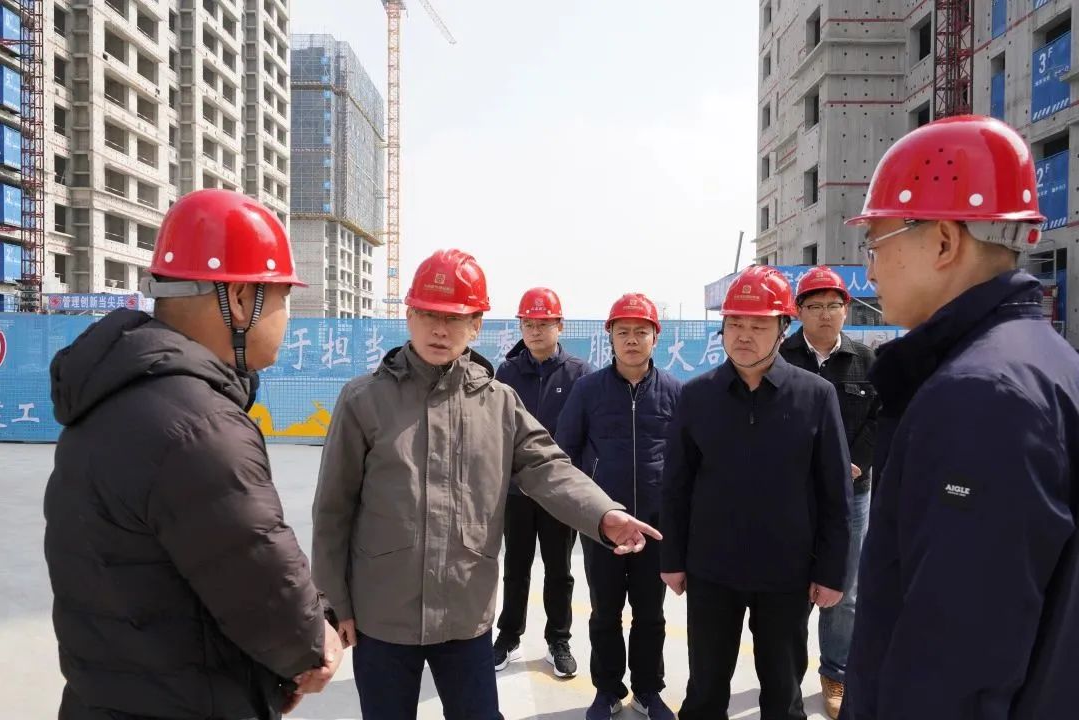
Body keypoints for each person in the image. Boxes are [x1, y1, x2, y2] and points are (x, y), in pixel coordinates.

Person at [311, 249, 661, 720]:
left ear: (475, 325)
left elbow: (549, 467)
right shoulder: (363, 400)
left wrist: (603, 513)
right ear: (409, 316)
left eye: (455, 318)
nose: (440, 330)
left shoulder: (498, 403)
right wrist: (334, 603)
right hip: (383, 618)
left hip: (465, 615)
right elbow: (332, 510)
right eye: (429, 315)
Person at [43, 189, 343, 720]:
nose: (287, 319)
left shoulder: (106, 396)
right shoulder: (200, 428)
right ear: (241, 299)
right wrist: (315, 643)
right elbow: (265, 582)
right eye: (283, 299)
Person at [841, 115, 1079, 719]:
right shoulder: (1041, 359)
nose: (869, 271)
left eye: (876, 244)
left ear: (944, 242)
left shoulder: (981, 395)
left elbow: (955, 662)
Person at [661, 265, 851, 720]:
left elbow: (835, 492)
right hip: (712, 569)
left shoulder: (815, 396)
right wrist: (672, 559)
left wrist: (832, 570)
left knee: (783, 691)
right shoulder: (697, 396)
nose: (744, 335)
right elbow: (676, 484)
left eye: (758, 325)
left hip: (787, 571)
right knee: (705, 688)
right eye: (735, 324)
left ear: (783, 328)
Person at [556, 292, 683, 720]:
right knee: (604, 612)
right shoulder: (588, 390)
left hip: (654, 526)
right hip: (602, 525)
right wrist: (588, 508)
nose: (631, 340)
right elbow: (565, 450)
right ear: (609, 336)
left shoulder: (674, 392)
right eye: (623, 331)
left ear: (655, 338)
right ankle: (607, 690)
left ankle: (648, 690)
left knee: (650, 614)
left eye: (640, 332)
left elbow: (685, 459)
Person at [779, 266, 878, 718]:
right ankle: (785, 676)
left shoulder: (866, 360)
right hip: (791, 496)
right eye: (814, 306)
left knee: (844, 588)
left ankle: (836, 673)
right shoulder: (780, 357)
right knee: (790, 587)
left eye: (833, 306)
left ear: (846, 310)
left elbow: (882, 419)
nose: (824, 314)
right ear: (798, 312)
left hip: (852, 493)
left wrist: (854, 463)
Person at [493, 287, 594, 677]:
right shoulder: (507, 373)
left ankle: (558, 640)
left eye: (543, 324)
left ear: (559, 326)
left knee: (559, 569)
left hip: (558, 491)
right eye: (528, 324)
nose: (535, 331)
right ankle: (508, 638)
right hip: (516, 489)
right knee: (515, 566)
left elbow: (585, 432)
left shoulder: (579, 373)